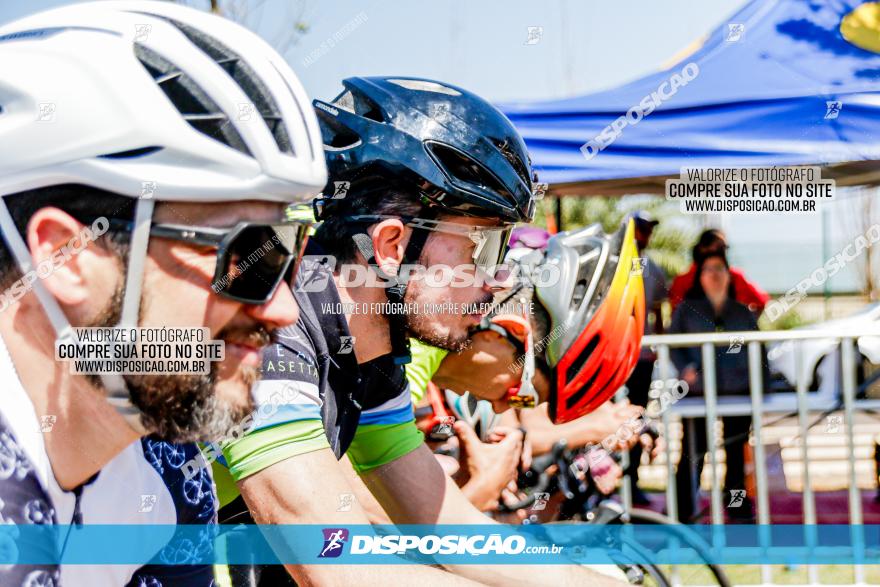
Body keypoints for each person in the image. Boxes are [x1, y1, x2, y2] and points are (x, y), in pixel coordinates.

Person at [211, 77, 625, 585]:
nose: (497, 281)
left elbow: (448, 530)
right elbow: (339, 569)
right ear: (390, 246)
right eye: (480, 250)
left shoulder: (371, 357)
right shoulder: (276, 336)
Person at [0, 1, 326, 585]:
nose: (280, 310)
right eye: (247, 256)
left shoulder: (169, 474)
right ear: (65, 258)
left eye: (287, 254)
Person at [668, 250, 762, 522]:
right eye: (708, 269)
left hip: (737, 393)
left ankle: (737, 507)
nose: (715, 275)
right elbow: (674, 345)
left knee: (735, 453)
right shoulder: (687, 310)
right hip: (698, 394)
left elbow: (757, 349)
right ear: (700, 275)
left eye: (720, 268)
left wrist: (758, 385)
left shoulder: (741, 311)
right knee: (693, 451)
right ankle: (681, 510)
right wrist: (685, 368)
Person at [624, 211, 667, 505]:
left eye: (649, 230)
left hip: (641, 358)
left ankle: (632, 480)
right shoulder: (613, 262)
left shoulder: (653, 268)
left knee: (637, 416)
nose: (646, 235)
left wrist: (658, 345)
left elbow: (659, 309)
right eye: (642, 229)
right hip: (612, 357)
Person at [669, 229, 770, 316]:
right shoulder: (683, 281)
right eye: (719, 247)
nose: (722, 251)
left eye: (724, 248)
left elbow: (761, 302)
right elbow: (676, 312)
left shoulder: (735, 276)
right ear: (703, 249)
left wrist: (744, 321)